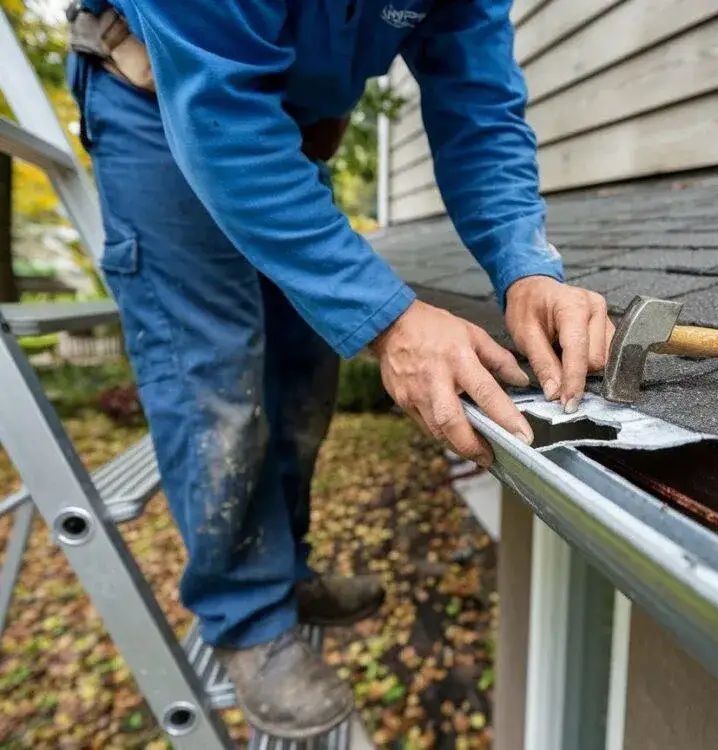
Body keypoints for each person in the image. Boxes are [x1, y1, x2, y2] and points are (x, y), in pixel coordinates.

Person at [66, 0, 613, 739]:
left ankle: (283, 573)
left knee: (303, 362)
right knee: (217, 377)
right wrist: (391, 322)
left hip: (284, 134)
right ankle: (247, 619)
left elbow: (478, 104)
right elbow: (221, 118)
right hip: (158, 102)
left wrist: (525, 267)